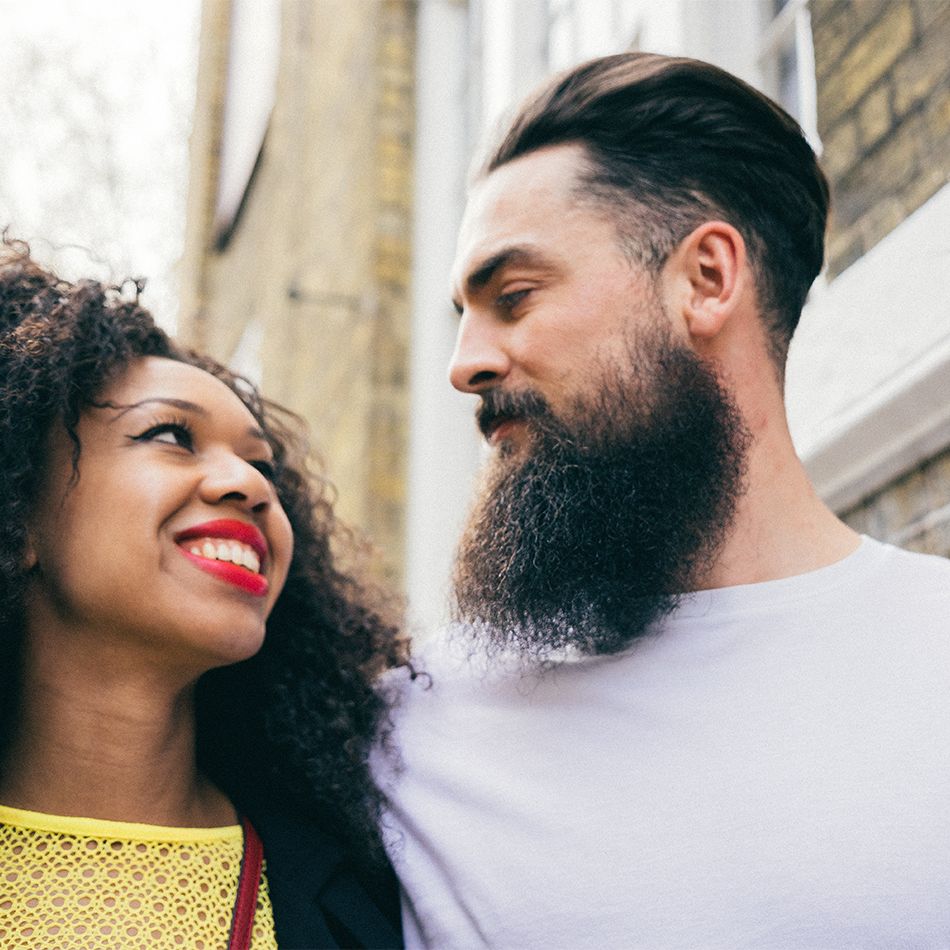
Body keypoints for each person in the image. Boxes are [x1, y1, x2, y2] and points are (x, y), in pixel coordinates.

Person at [374, 53, 950, 947]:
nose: (464, 365)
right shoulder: (405, 744)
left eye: (513, 296)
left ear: (707, 280)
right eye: (461, 312)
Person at [0, 242, 405, 949]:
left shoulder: (370, 894)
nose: (250, 487)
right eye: (170, 435)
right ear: (19, 513)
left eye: (262, 467)